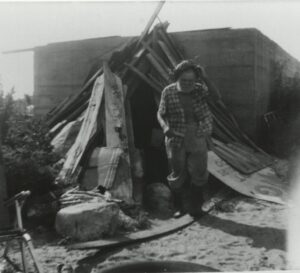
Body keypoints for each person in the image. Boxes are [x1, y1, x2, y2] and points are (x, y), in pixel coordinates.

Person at [157, 60, 221, 218]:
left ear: (196, 80)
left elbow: (216, 97)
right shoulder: (168, 91)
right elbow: (160, 113)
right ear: (177, 78)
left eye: (191, 80)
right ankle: (181, 207)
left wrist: (205, 78)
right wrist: (165, 128)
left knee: (199, 171)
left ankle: (196, 208)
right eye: (183, 80)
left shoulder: (199, 90)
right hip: (175, 134)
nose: (187, 83)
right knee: (178, 172)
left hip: (197, 133)